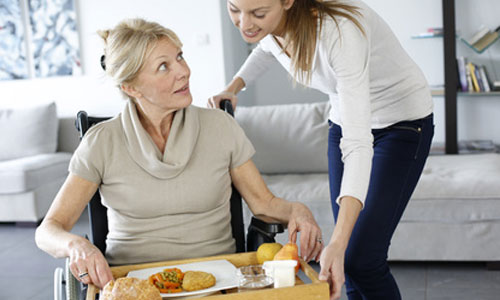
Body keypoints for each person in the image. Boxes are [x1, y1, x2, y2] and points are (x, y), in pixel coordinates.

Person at [35, 18, 322, 289]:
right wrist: (76, 246)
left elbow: (264, 203)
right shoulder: (101, 142)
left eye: (180, 57)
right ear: (131, 87)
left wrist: (299, 211)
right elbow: (49, 229)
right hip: (134, 285)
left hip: (217, 279)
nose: (183, 71)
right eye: (163, 66)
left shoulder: (220, 127)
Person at [209, 1, 434, 299]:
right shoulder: (272, 27)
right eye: (234, 9)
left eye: (258, 13)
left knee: (360, 257)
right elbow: (266, 49)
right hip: (344, 121)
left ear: (287, 2)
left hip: (401, 123)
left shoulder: (340, 31)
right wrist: (233, 87)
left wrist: (337, 244)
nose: (244, 23)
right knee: (349, 264)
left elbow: (358, 145)